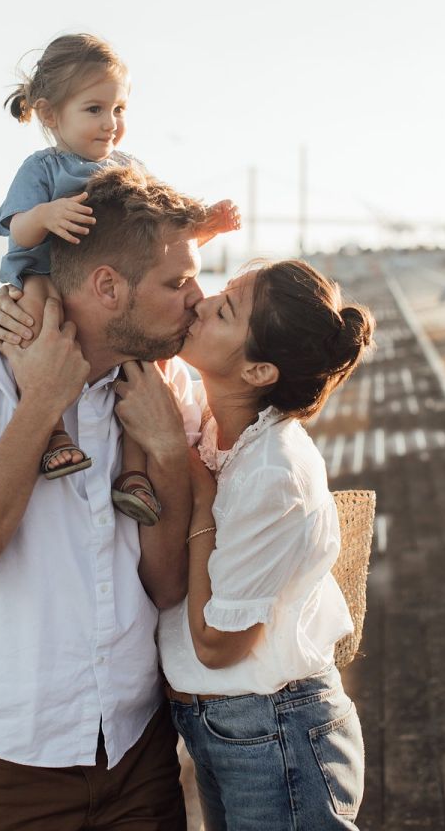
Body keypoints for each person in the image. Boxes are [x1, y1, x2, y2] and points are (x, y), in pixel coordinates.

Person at [0, 166, 210, 831]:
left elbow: (164, 586)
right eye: (177, 282)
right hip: (8, 764)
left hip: (138, 748)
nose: (197, 298)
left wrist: (165, 453)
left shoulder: (165, 387)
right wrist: (42, 401)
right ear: (108, 286)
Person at [153, 259, 375, 830]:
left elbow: (219, 646)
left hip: (276, 731)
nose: (201, 302)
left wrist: (200, 497)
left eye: (225, 310)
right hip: (226, 727)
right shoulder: (216, 428)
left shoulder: (273, 470)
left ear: (257, 371)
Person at [0, 32, 240, 523]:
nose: (111, 123)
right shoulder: (43, 168)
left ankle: (134, 474)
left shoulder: (129, 167)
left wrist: (205, 226)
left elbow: (159, 244)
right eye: (94, 109)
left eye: (119, 109)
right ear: (49, 114)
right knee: (36, 322)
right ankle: (53, 432)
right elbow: (16, 228)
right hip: (45, 271)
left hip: (113, 292)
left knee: (146, 367)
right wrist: (45, 215)